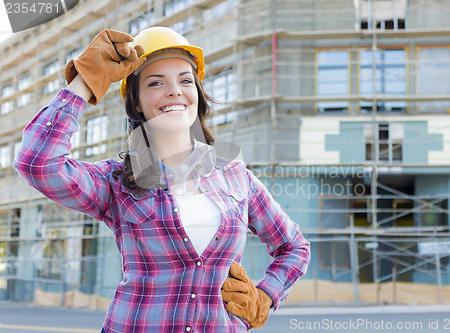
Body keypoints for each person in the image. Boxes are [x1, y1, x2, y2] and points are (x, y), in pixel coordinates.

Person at [14, 27, 310, 332]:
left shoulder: (235, 176)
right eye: (156, 82)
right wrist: (84, 81)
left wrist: (264, 296)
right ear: (137, 102)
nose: (175, 90)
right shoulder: (115, 183)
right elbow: (37, 162)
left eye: (185, 80)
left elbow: (295, 247)